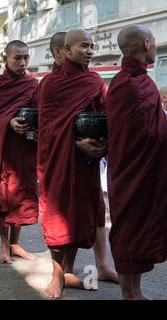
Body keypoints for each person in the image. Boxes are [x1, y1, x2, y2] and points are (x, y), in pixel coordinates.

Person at [37, 28, 111, 299]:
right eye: (83, 46)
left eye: (92, 46)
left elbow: (103, 114)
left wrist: (102, 142)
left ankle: (68, 271)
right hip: (56, 161)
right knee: (57, 219)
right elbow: (46, 129)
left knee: (80, 217)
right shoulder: (49, 84)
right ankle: (56, 275)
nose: (89, 51)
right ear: (66, 51)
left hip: (86, 163)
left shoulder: (93, 81)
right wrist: (74, 142)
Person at [106, 25, 166, 300]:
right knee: (129, 230)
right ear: (145, 43)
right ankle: (127, 293)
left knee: (143, 229)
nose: (155, 46)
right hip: (130, 172)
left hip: (147, 171)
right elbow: (132, 132)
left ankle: (136, 290)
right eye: (154, 42)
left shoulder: (144, 81)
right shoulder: (125, 83)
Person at [0, 40, 39, 263]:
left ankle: (15, 245)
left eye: (26, 58)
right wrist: (8, 122)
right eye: (17, 58)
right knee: (3, 198)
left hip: (23, 151)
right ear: (5, 59)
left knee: (21, 197)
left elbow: (39, 112)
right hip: (2, 152)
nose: (22, 63)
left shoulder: (32, 85)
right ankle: (4, 246)